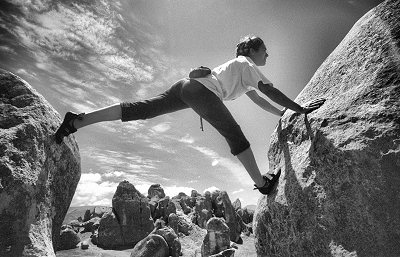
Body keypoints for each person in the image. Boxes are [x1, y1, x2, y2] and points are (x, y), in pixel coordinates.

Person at [55, 35, 325, 195]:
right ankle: (262, 183)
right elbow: (269, 90)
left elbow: (259, 99)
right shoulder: (246, 64)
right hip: (199, 91)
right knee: (234, 134)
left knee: (143, 110)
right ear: (253, 50)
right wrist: (299, 109)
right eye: (264, 49)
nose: (268, 54)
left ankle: (78, 120)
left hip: (185, 87)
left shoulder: (242, 73)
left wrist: (282, 115)